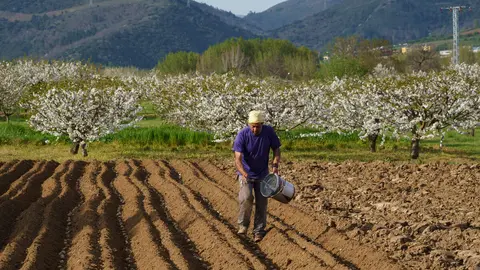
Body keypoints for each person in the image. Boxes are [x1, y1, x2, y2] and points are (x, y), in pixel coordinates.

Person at [233, 110, 281, 242]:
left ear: (262, 124)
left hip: (262, 174)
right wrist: (243, 173)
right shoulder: (242, 135)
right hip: (246, 174)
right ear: (249, 125)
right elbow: (238, 158)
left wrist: (275, 164)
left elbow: (276, 149)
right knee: (246, 197)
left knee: (262, 202)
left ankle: (258, 231)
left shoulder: (269, 132)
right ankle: (243, 226)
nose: (255, 129)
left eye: (258, 126)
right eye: (253, 126)